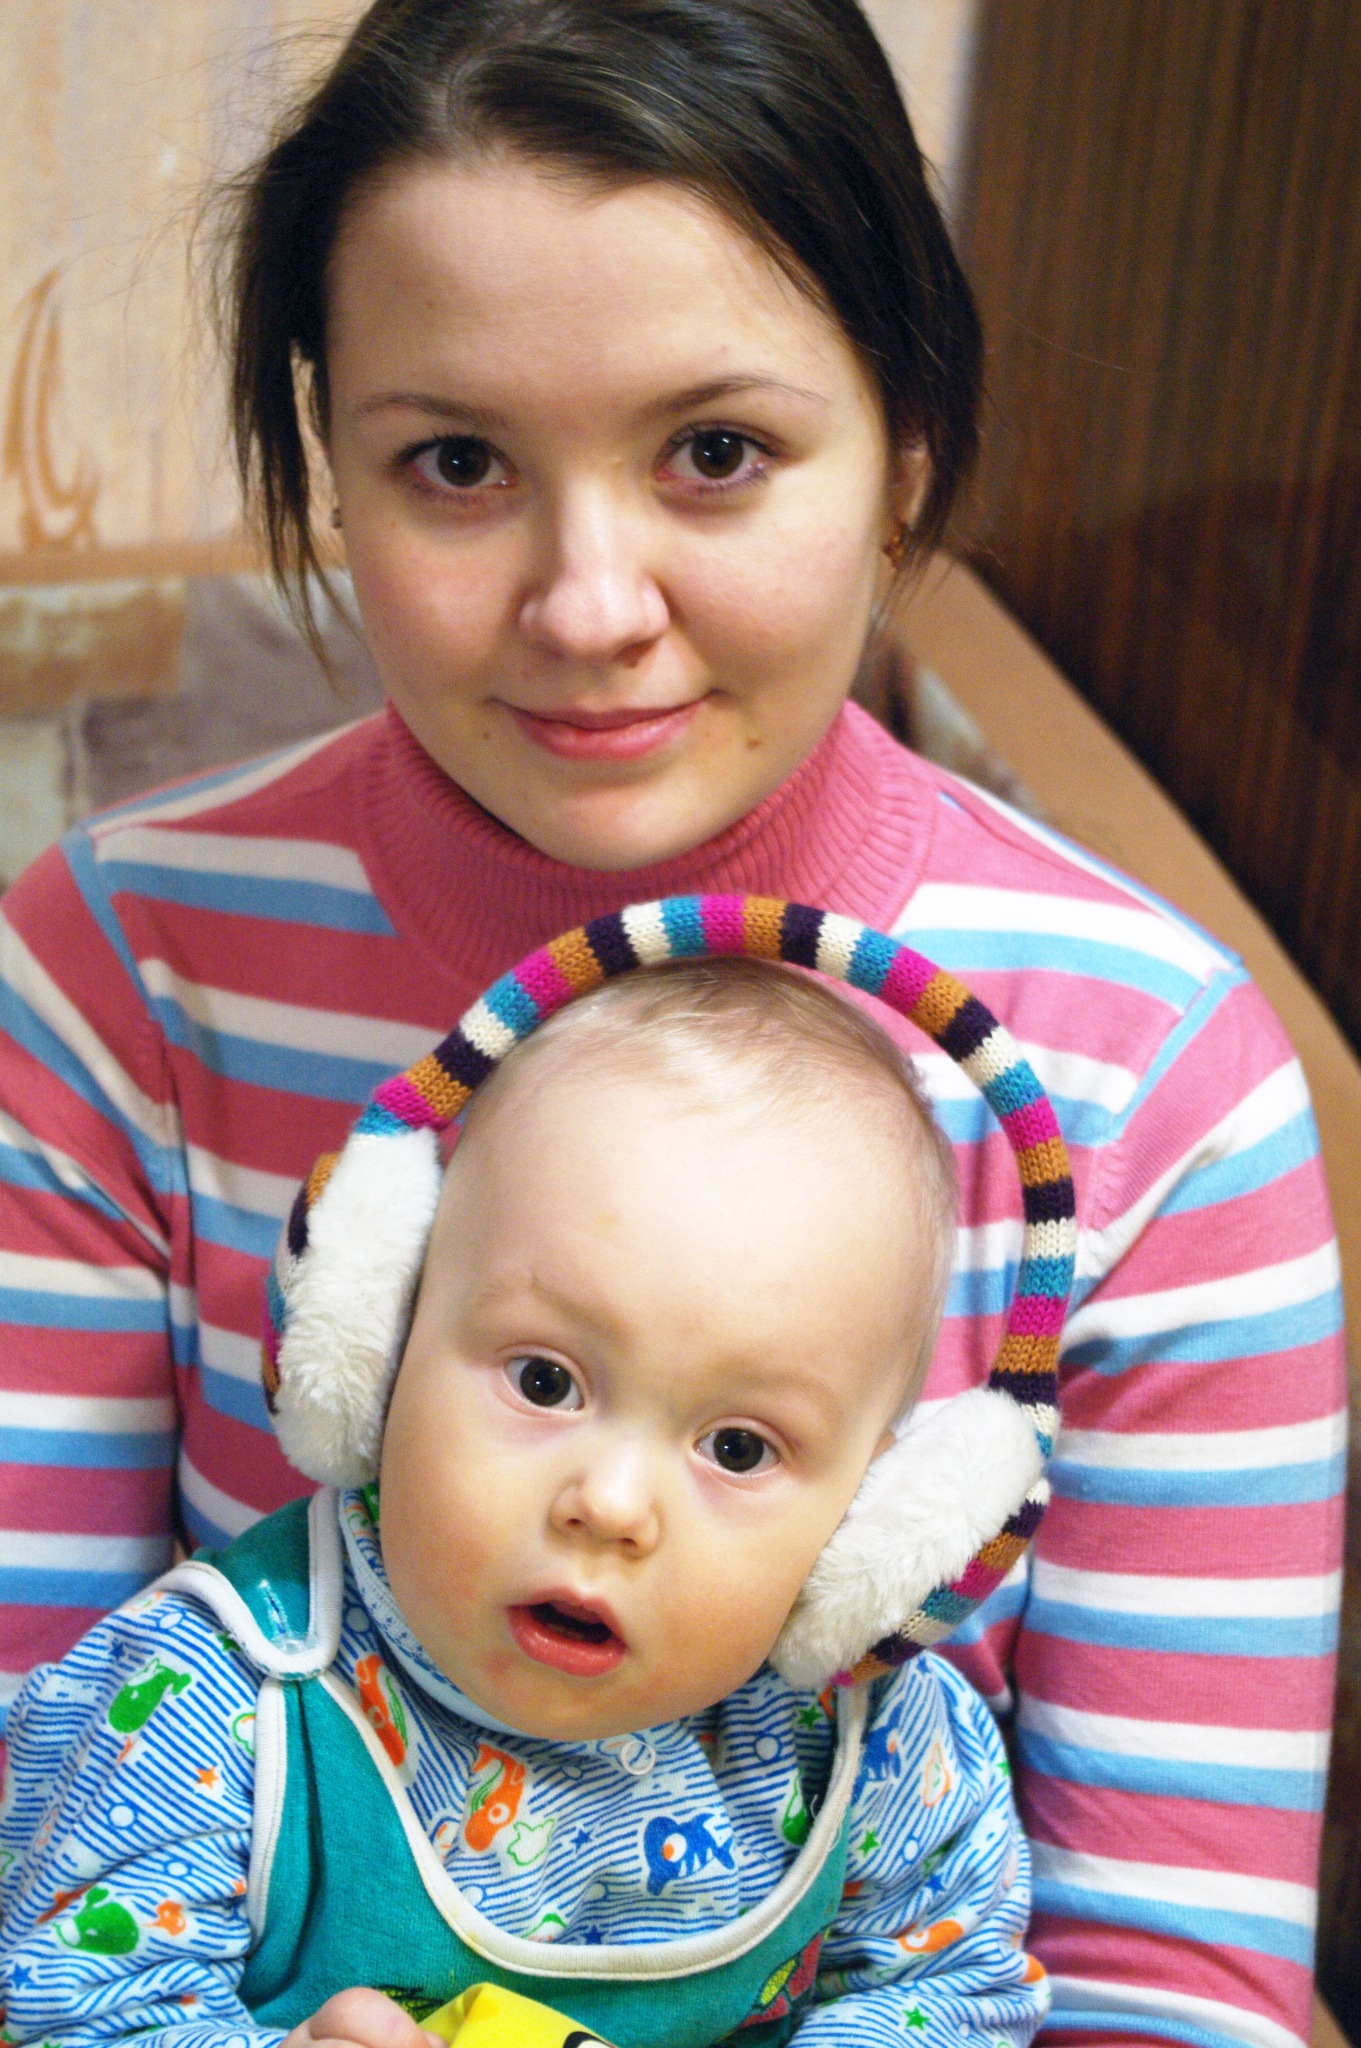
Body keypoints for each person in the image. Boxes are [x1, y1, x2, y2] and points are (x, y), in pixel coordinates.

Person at [0, 3, 1342, 2045]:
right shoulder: (115, 973)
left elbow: (1168, 1988)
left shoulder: (1165, 1088)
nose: (588, 605)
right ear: (333, 467)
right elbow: (28, 1812)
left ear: (903, 450)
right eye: (457, 464)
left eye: (713, 452)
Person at [1, 954, 1050, 2048]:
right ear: (383, 1349)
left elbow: (953, 1993)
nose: (610, 1503)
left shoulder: (873, 1753)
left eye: (738, 1447)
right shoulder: (208, 1702)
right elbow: (81, 2008)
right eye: (545, 1381)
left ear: (870, 1516)